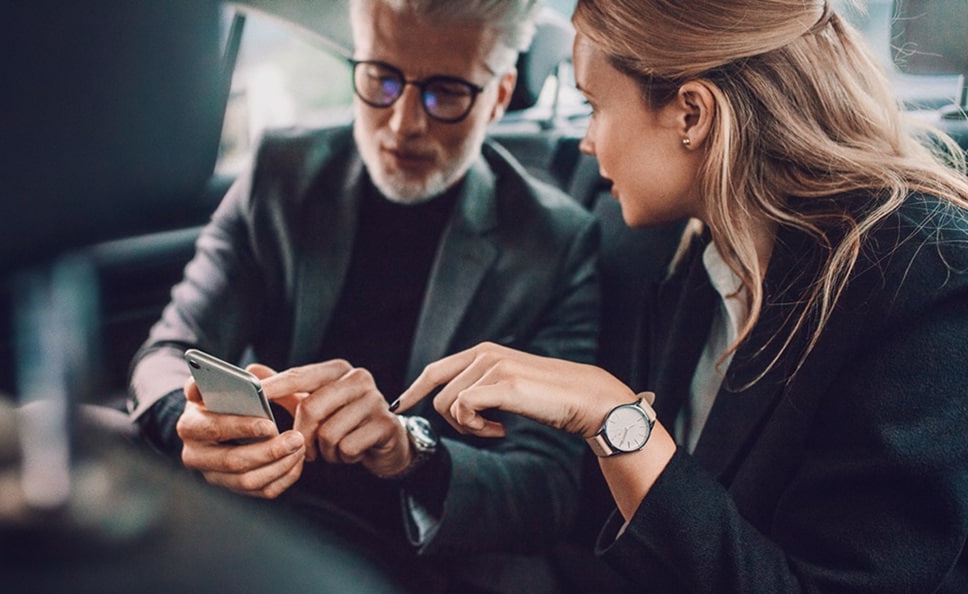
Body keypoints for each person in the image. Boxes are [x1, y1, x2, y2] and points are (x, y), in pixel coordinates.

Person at [394, 0, 968, 591]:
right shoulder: (698, 256)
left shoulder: (923, 277)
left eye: (594, 107)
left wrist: (616, 420)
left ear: (691, 114)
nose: (586, 143)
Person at [127, 0, 600, 592]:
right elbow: (167, 353)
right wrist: (189, 423)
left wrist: (411, 452)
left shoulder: (553, 243)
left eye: (446, 92)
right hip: (259, 518)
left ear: (500, 95)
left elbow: (548, 489)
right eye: (381, 78)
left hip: (418, 559)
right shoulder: (281, 174)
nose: (403, 123)